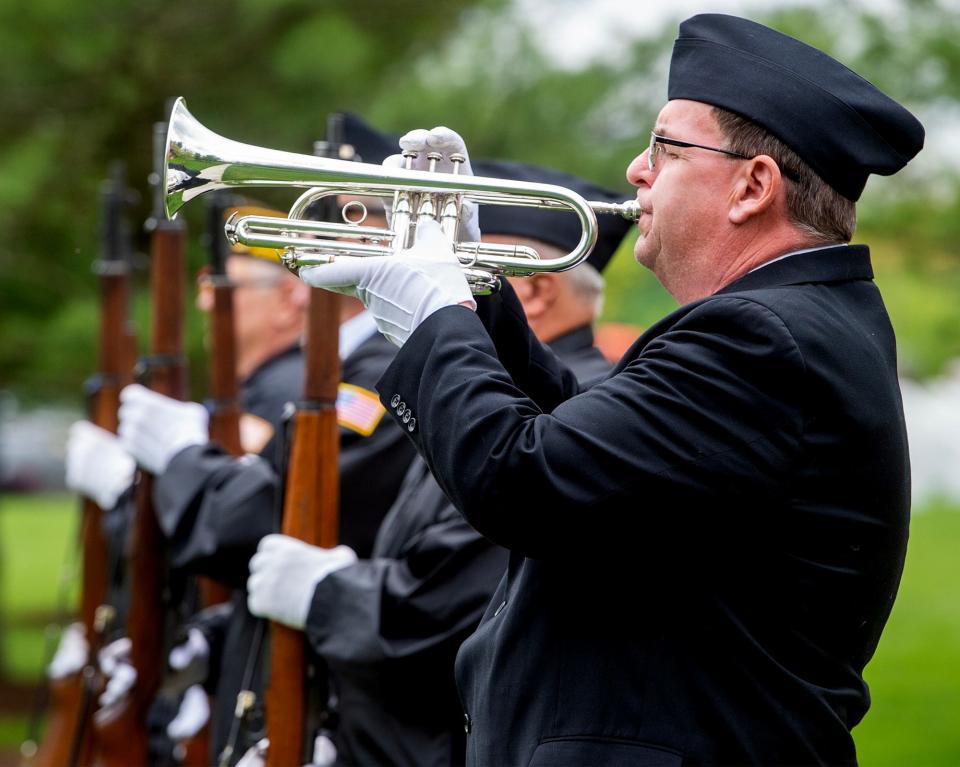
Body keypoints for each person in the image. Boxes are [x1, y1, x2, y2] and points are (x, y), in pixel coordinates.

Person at [298, 13, 925, 766]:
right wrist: (477, 281)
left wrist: (434, 316)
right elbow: (588, 450)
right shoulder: (782, 327)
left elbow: (523, 477)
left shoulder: (763, 341)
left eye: (665, 147)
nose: (636, 170)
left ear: (753, 186)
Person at [246, 157, 633, 766]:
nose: (442, 274)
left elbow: (454, 601)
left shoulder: (572, 401)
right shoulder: (493, 387)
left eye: (468, 264)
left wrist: (327, 593)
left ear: (531, 286)